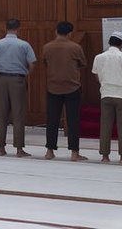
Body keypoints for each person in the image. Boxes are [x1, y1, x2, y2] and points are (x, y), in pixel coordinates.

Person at [0, 18, 36, 157]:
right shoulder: (24, 45)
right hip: (18, 79)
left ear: (5, 28)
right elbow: (32, 63)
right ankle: (19, 149)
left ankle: (1, 148)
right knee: (18, 114)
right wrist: (25, 74)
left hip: (2, 79)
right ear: (18, 28)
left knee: (1, 114)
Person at [42, 21, 87, 162]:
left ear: (56, 31)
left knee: (52, 120)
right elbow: (83, 64)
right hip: (72, 88)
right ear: (70, 33)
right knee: (73, 121)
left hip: (53, 87)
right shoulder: (75, 47)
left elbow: (45, 63)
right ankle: (74, 153)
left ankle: (49, 151)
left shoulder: (47, 47)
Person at [91, 33, 122, 164]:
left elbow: (96, 76)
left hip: (106, 93)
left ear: (109, 43)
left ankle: (105, 156)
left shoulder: (99, 57)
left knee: (105, 125)